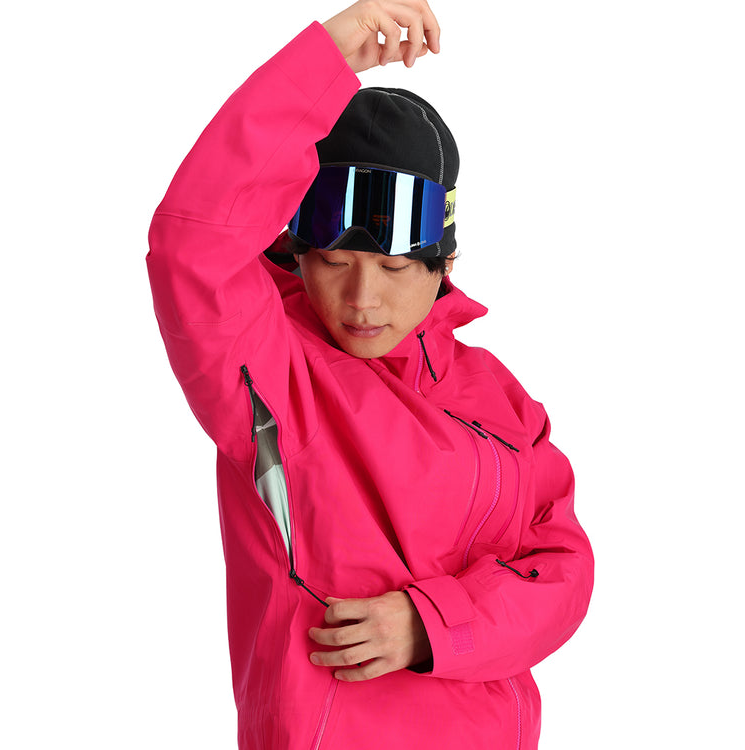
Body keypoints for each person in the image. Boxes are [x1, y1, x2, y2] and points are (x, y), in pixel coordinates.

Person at [146, 1, 594, 748]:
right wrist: (323, 61)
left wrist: (432, 625)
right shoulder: (270, 371)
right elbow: (193, 247)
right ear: (298, 255)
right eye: (333, 262)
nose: (361, 300)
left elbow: (563, 569)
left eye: (392, 269)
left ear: (445, 265)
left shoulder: (499, 395)